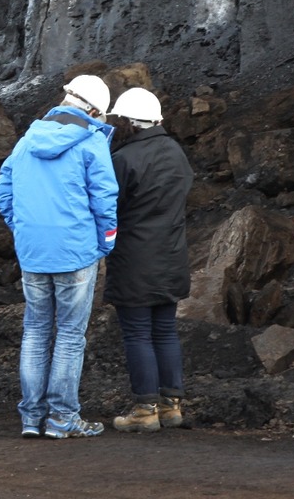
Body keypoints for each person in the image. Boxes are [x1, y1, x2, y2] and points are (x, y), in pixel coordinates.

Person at [0, 74, 119, 439]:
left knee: (35, 332)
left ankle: (31, 418)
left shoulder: (27, 140)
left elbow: (3, 190)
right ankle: (62, 418)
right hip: (76, 252)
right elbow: (104, 200)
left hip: (33, 252)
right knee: (69, 336)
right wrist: (105, 243)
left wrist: (22, 229)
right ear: (94, 111)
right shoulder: (92, 143)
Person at [104, 88, 193, 433]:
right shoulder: (176, 152)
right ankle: (171, 407)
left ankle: (145, 410)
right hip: (172, 256)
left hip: (135, 260)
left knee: (138, 333)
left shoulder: (124, 159)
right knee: (165, 331)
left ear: (127, 121)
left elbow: (109, 207)